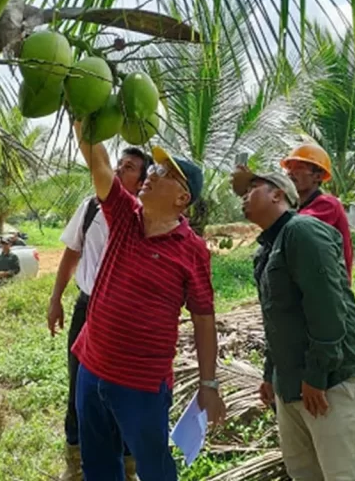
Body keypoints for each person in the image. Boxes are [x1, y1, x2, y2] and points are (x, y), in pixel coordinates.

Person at [72, 121, 226, 481]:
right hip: (92, 368)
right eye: (153, 168)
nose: (150, 175)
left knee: (153, 467)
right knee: (97, 463)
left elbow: (204, 319)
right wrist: (82, 116)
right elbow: (98, 165)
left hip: (141, 384)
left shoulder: (192, 251)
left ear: (182, 198)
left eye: (164, 172)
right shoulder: (125, 215)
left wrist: (209, 384)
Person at [232, 166, 355, 481]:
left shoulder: (303, 231)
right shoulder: (268, 249)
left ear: (277, 194)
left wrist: (318, 374)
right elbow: (277, 318)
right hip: (292, 383)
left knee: (342, 475)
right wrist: (272, 374)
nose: (244, 196)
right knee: (304, 474)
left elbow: (327, 305)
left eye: (252, 187)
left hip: (330, 381)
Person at [47, 147, 151, 481]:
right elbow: (71, 253)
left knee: (123, 389)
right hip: (88, 307)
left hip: (126, 315)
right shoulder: (90, 207)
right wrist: (55, 299)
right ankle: (76, 460)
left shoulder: (147, 218)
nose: (120, 170)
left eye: (130, 167)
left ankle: (127, 463)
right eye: (118, 164)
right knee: (78, 383)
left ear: (143, 181)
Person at [280, 143, 354, 283]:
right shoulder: (297, 207)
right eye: (289, 167)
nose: (291, 172)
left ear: (318, 176)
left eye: (299, 168)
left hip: (331, 286)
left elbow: (295, 227)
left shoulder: (327, 204)